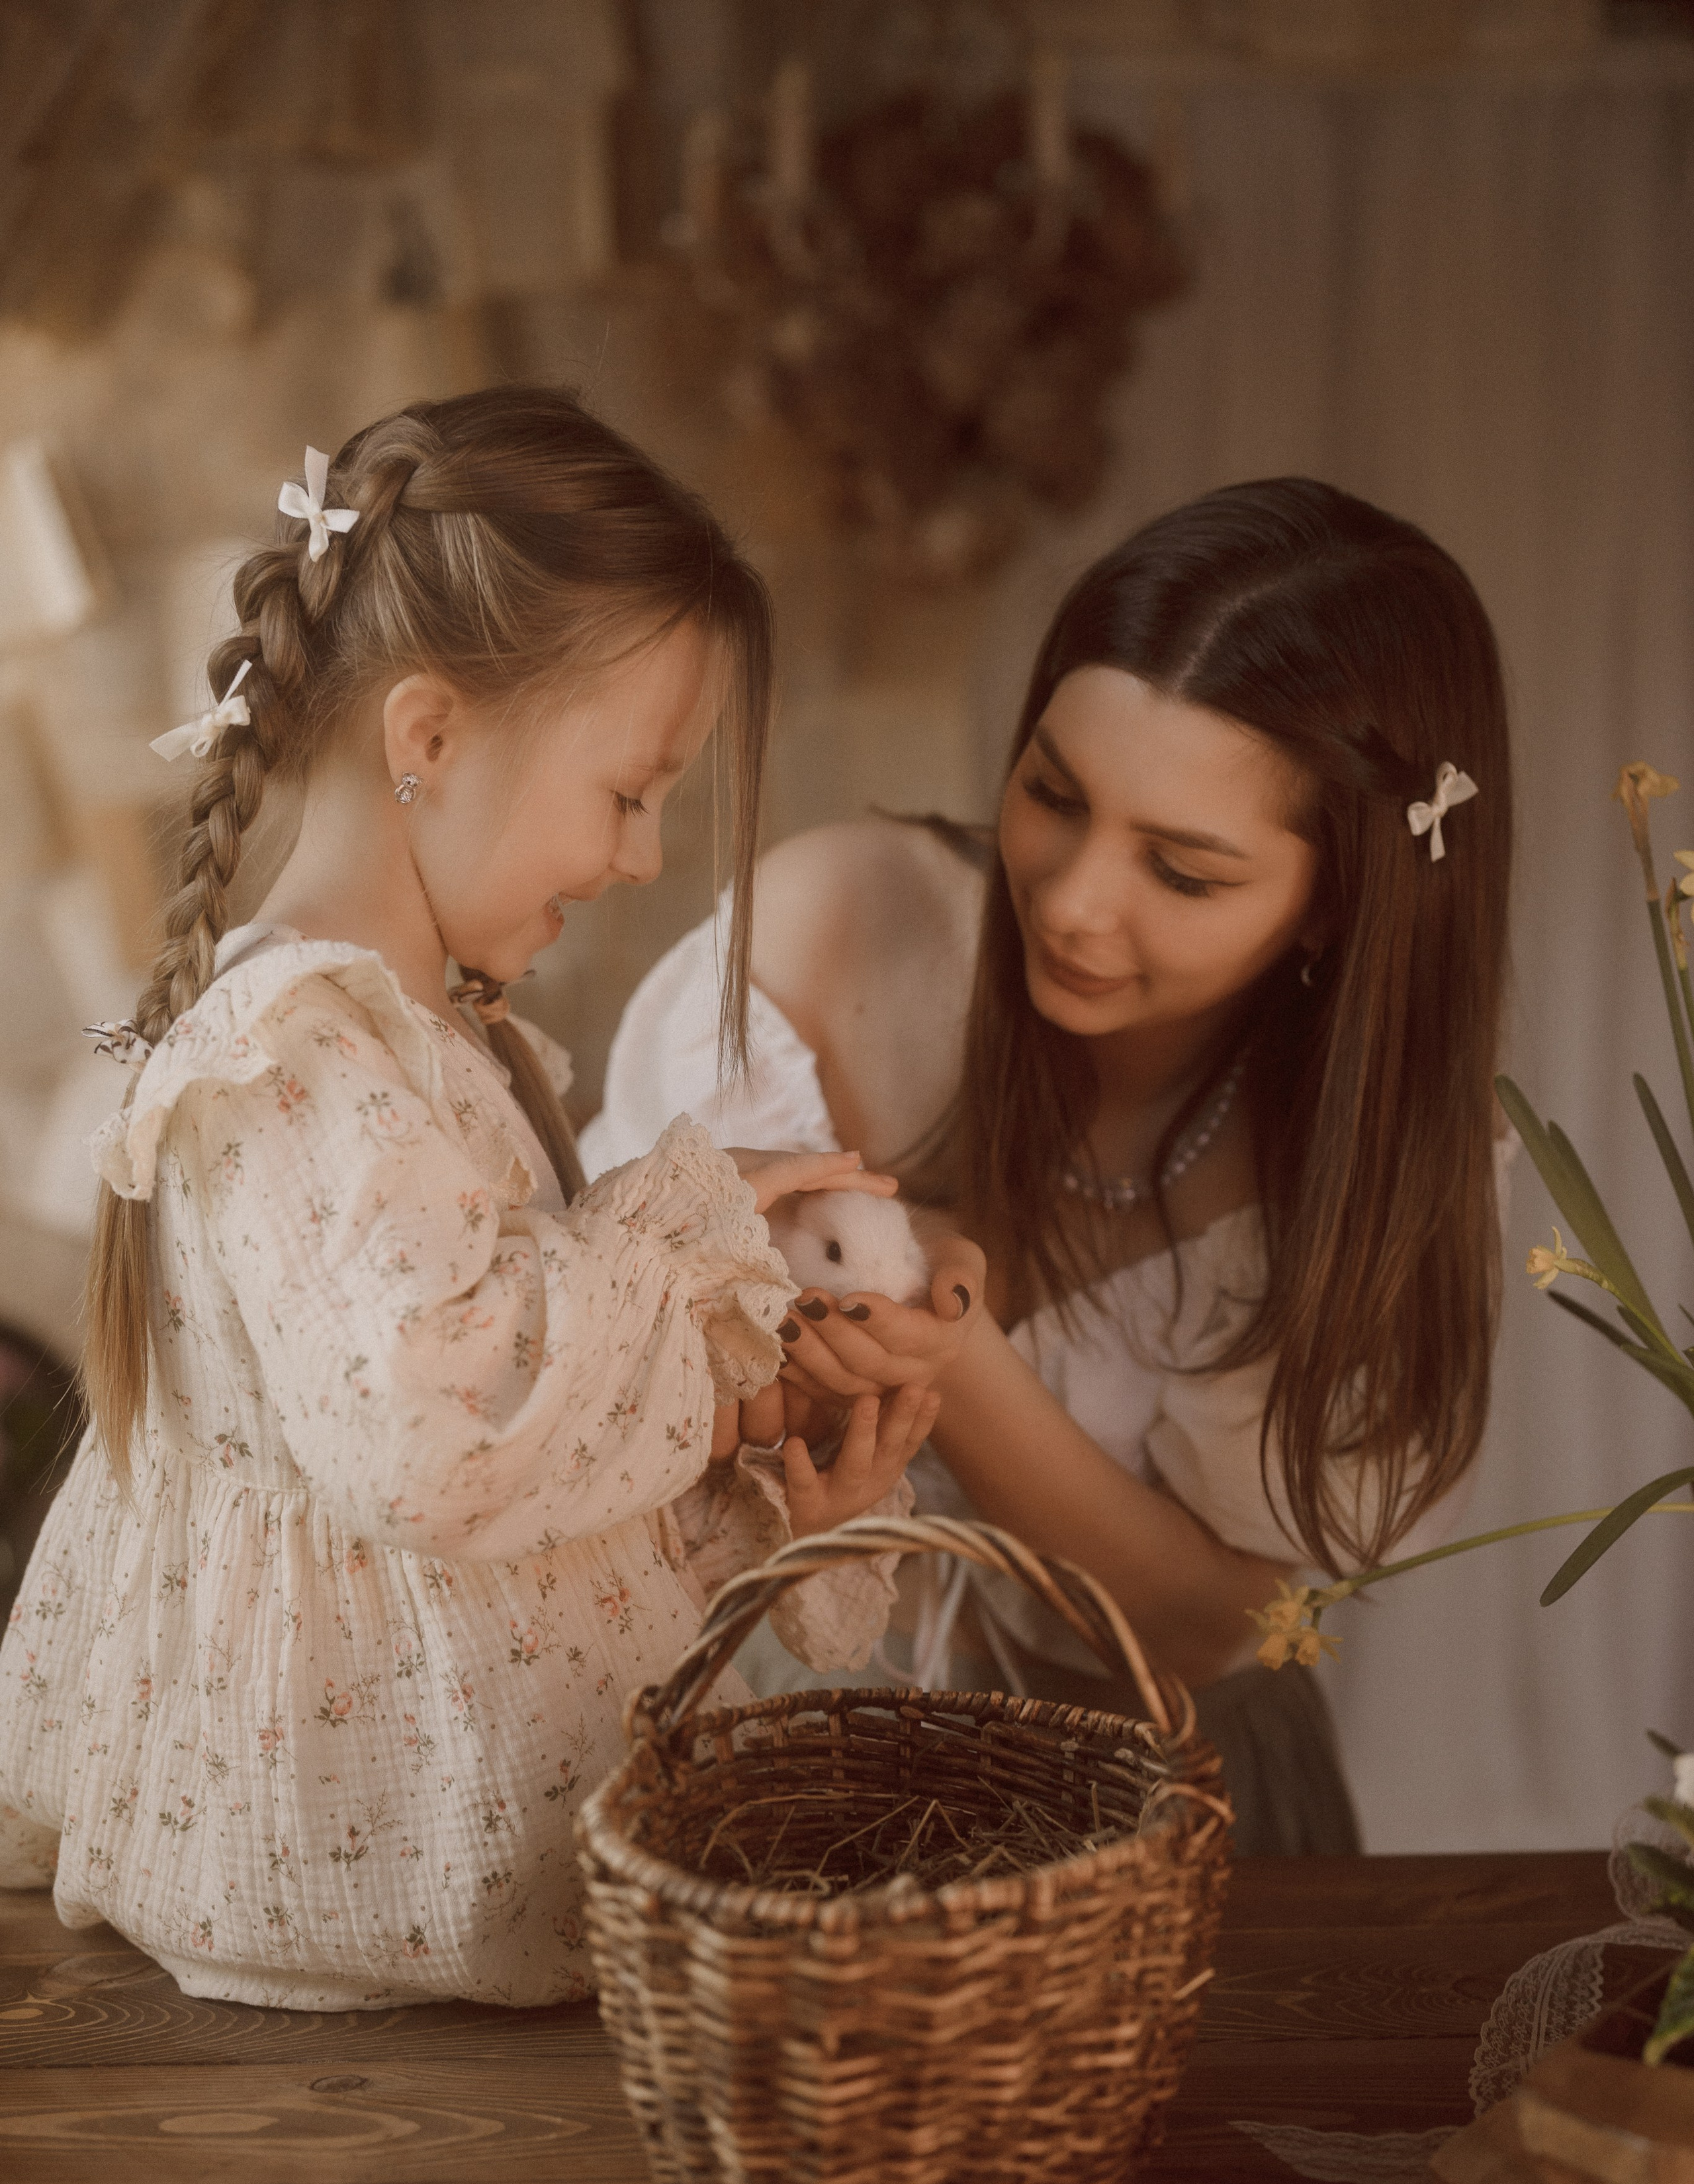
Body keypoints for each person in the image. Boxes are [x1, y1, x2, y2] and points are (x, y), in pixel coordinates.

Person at [0, 386, 967, 2007]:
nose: (643, 856)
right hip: (352, 1916)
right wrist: (673, 1223)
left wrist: (758, 1501)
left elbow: (517, 1532)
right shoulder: (301, 1057)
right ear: (429, 740)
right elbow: (440, 1444)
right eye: (630, 793)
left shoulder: (440, 1041)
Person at [583, 479, 1515, 1853]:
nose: (1073, 904)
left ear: (1337, 904)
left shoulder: (1380, 1159)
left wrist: (953, 1363)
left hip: (1167, 1808)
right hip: (774, 1750)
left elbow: (1202, 1630)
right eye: (1053, 795)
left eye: (1183, 872)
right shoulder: (836, 929)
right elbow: (592, 1402)